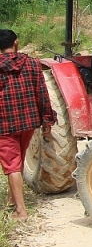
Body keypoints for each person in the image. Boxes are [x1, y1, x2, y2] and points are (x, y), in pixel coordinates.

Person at [0, 29, 56, 221]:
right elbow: (42, 93)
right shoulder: (32, 63)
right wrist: (47, 118)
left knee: (12, 166)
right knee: (19, 159)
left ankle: (20, 211)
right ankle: (11, 198)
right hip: (28, 122)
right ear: (16, 42)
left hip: (4, 124)